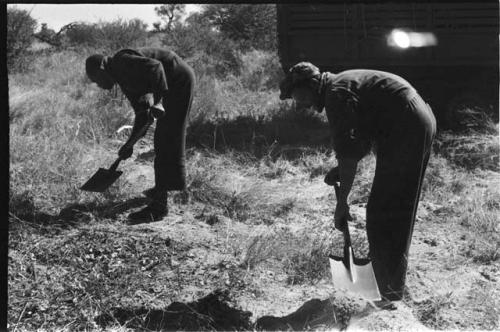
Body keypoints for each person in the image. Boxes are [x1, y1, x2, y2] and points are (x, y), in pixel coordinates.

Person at [279, 62, 436, 306]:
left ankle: (387, 292)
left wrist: (342, 204)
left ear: (309, 85)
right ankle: (387, 287)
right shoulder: (338, 87)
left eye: (296, 96)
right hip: (411, 122)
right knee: (388, 207)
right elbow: (358, 141)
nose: (298, 104)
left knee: (387, 210)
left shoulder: (336, 94)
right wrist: (340, 170)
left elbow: (349, 155)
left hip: (407, 127)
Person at [85, 48, 195, 224]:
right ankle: (162, 188)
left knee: (167, 139)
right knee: (163, 139)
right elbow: (142, 115)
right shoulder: (124, 80)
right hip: (172, 85)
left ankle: (159, 207)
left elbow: (157, 67)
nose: (99, 85)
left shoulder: (122, 62)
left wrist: (158, 101)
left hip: (179, 81)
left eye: (96, 80)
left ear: (102, 68)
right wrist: (129, 145)